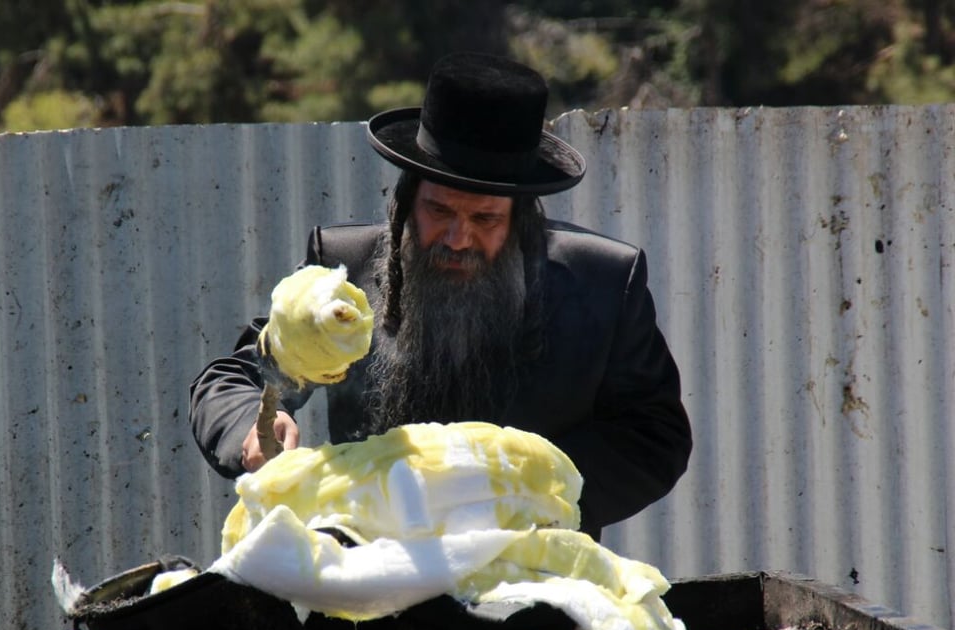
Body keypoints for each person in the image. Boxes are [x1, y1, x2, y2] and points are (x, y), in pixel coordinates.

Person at [189, 52, 691, 540]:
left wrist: (526, 487)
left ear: (521, 221)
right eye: (439, 211)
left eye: (484, 219)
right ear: (407, 201)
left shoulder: (601, 283)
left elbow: (655, 434)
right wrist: (256, 427)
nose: (456, 238)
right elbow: (236, 377)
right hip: (372, 575)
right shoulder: (344, 271)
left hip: (536, 569)